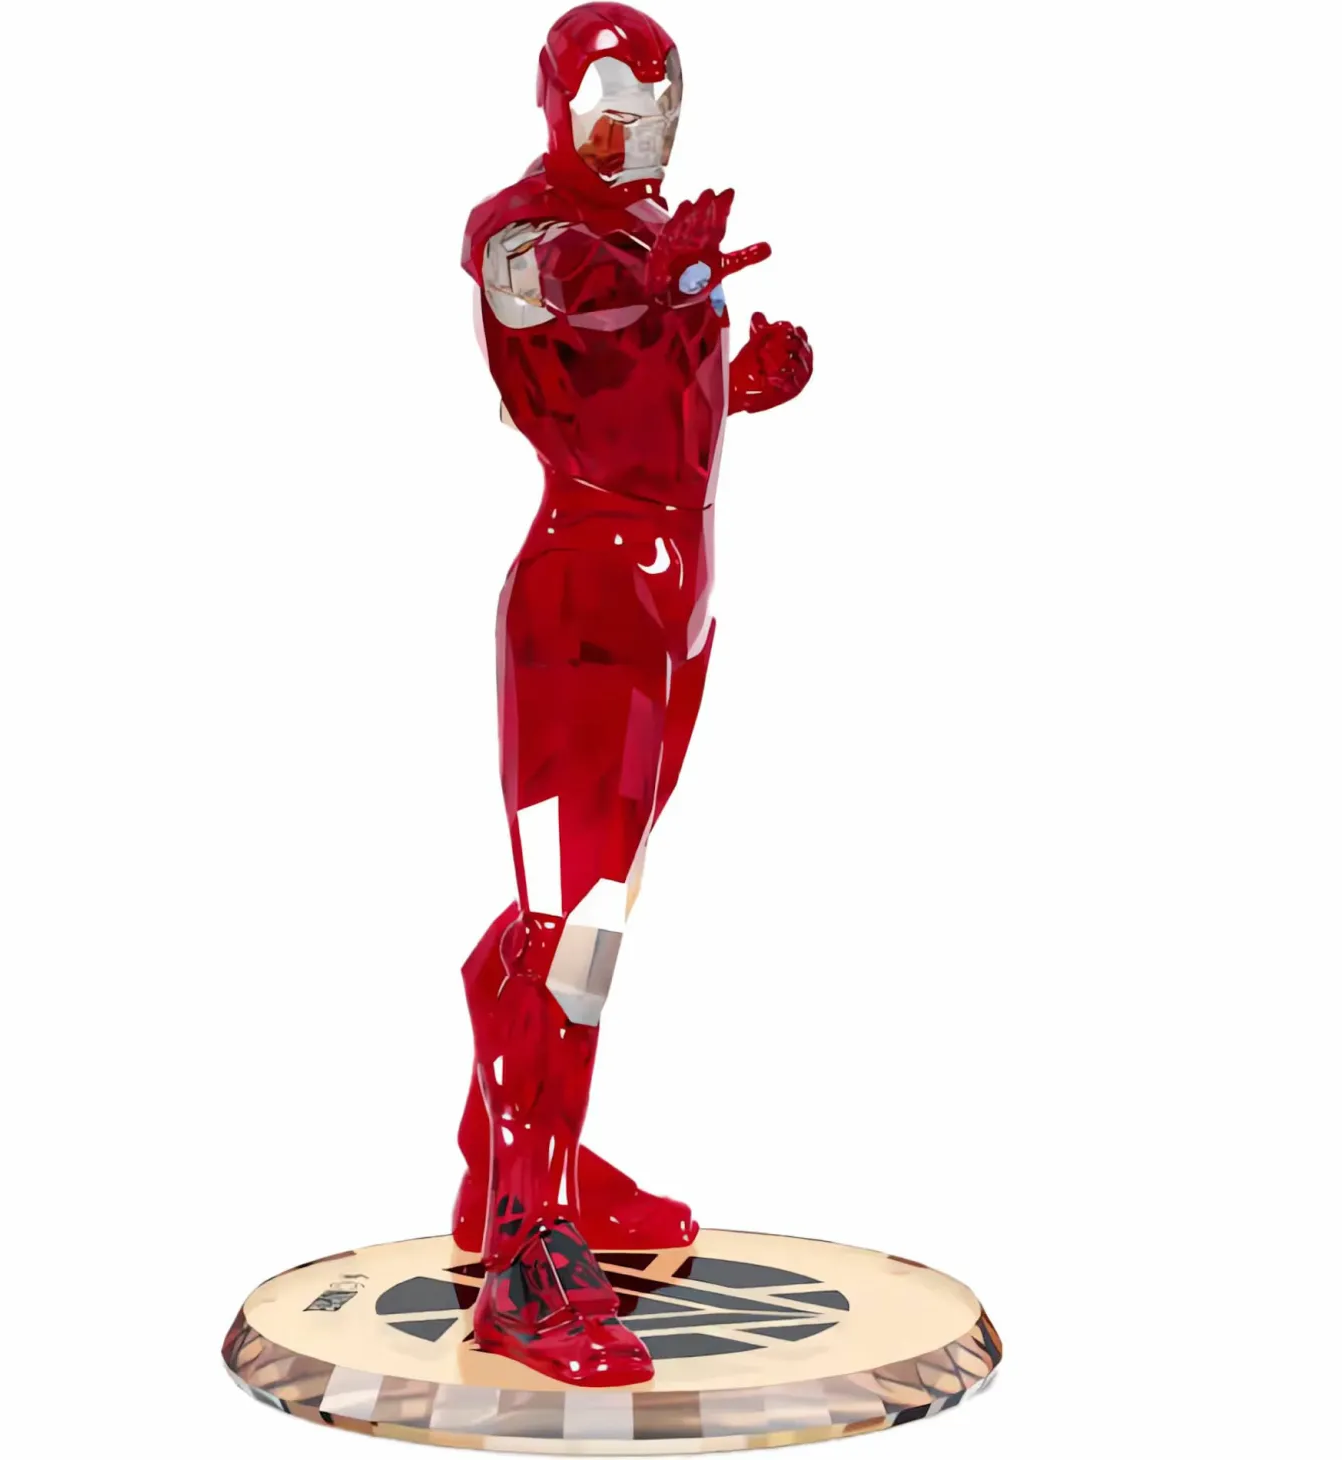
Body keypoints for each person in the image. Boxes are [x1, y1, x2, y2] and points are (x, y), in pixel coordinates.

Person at [456, 2, 812, 1385]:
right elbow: (548, 289)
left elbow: (643, 366)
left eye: (662, 97)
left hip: (676, 598)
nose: (643, 123)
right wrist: (660, 283)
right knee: (580, 929)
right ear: (560, 99)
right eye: (616, 94)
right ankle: (523, 1245)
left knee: (593, 908)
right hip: (586, 596)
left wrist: (740, 375)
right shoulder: (526, 227)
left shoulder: (651, 229)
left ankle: (507, 1165)